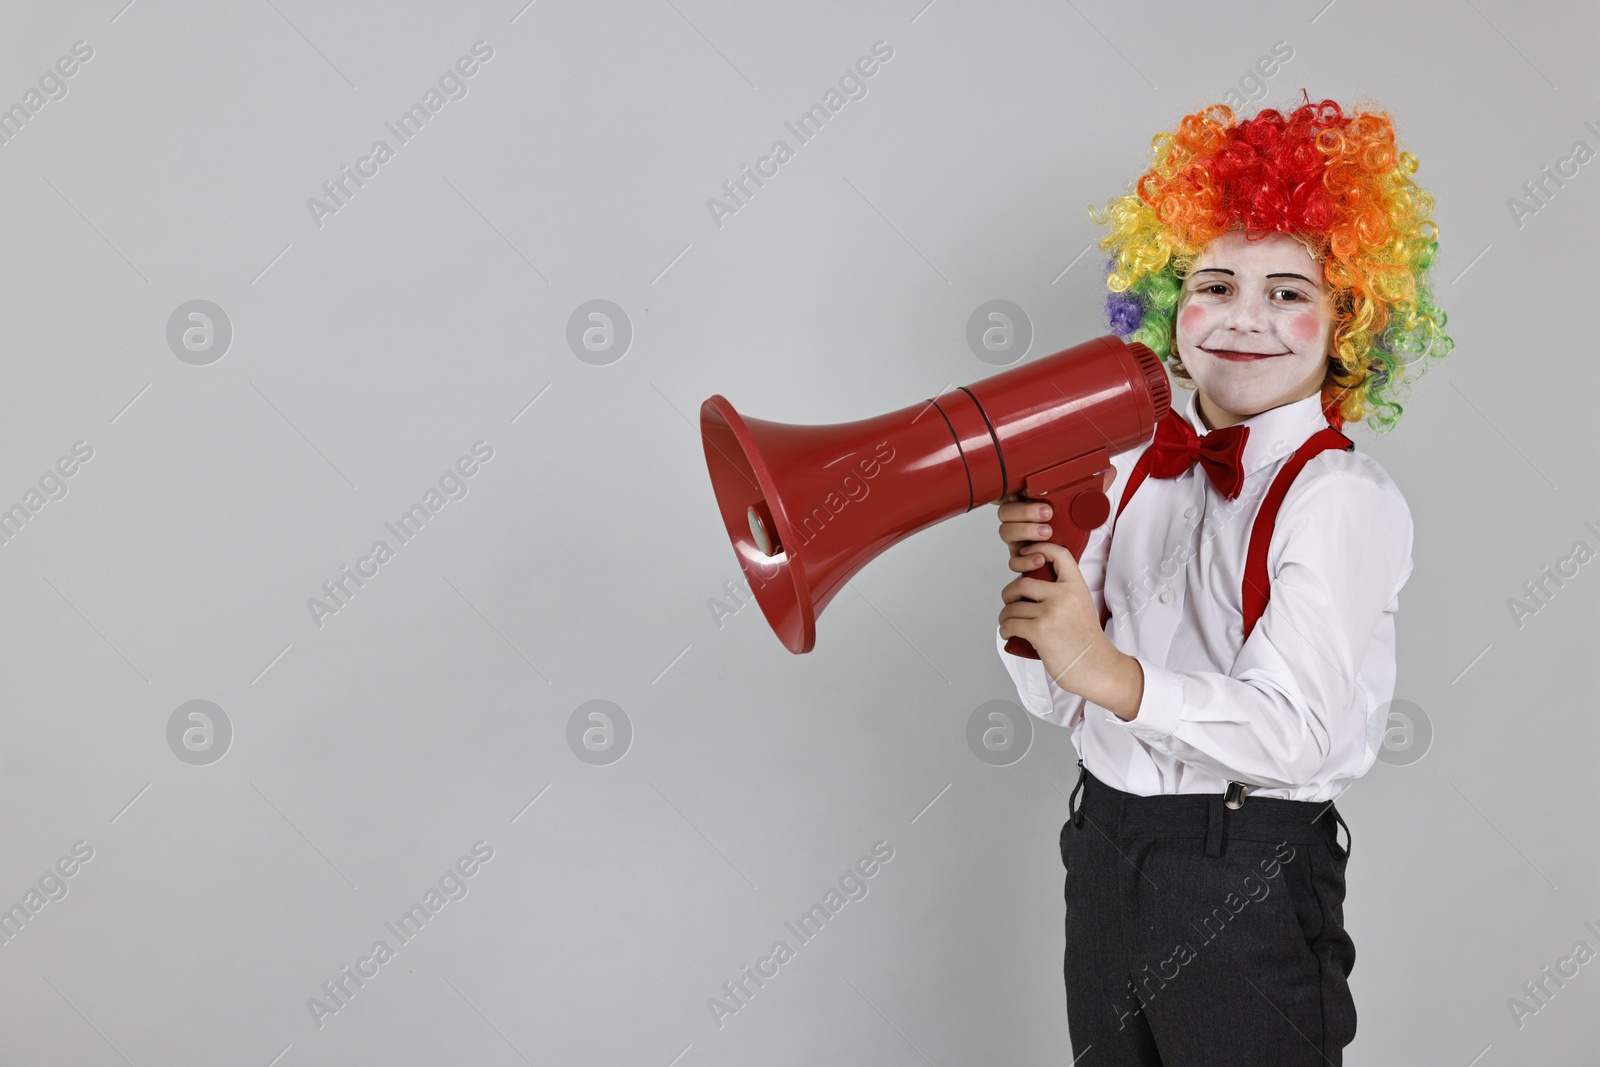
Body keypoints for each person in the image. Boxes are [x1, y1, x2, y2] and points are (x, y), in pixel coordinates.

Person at [994, 95, 1452, 1064]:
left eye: (1290, 292)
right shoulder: (1123, 469)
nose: (1246, 318)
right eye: (1214, 283)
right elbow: (1055, 701)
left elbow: (1291, 735)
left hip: (1240, 866)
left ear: (1351, 320)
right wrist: (1045, 603)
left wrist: (1107, 668)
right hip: (1106, 844)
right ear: (1168, 304)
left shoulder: (1337, 496)